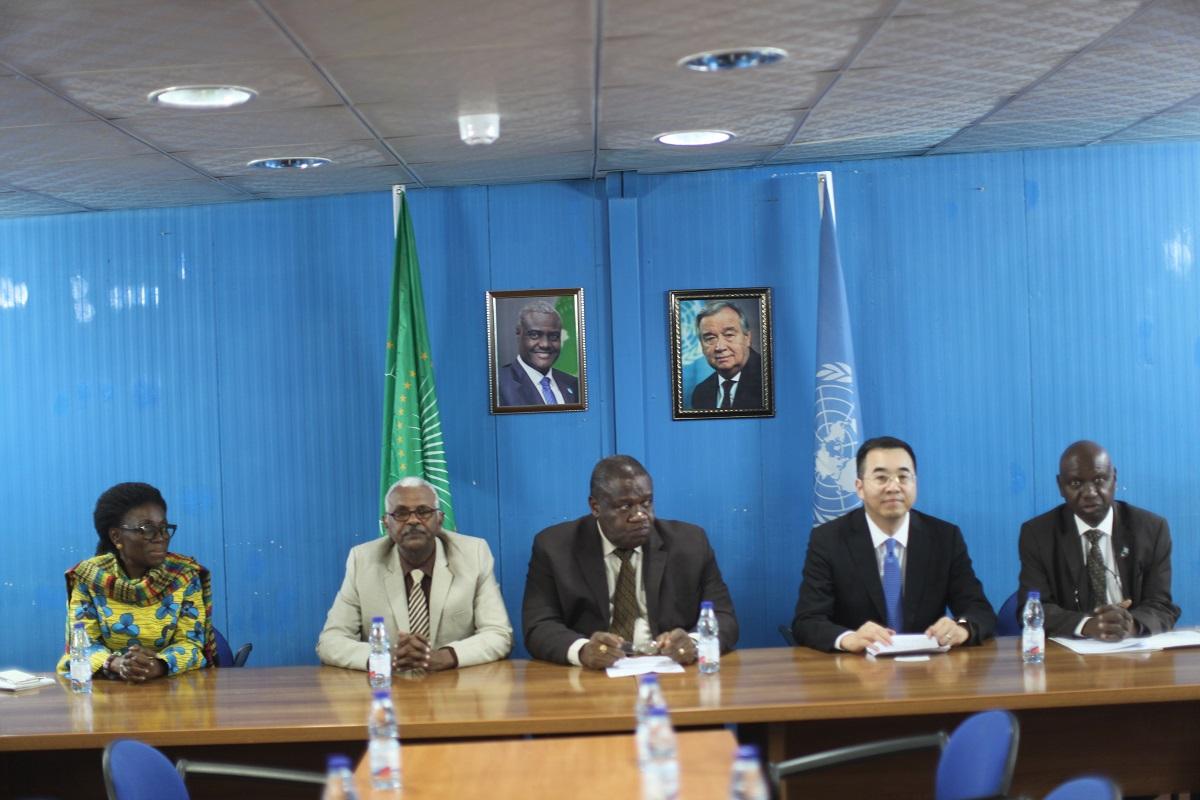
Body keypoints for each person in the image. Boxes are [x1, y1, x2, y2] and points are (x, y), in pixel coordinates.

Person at [522, 455, 738, 669]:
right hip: (592, 674)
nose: (640, 515)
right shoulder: (554, 548)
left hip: (670, 669)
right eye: (625, 506)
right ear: (595, 507)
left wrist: (693, 643)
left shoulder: (690, 543)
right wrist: (583, 650)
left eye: (646, 503)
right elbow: (539, 625)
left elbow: (724, 617)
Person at [791, 437, 996, 652]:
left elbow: (979, 610)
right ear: (860, 487)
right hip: (858, 665)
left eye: (903, 477)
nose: (893, 487)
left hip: (927, 664)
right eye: (881, 478)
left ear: (915, 483)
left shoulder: (945, 537)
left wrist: (961, 628)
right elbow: (808, 620)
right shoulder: (829, 539)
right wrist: (848, 638)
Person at [317, 477, 512, 671]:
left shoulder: (473, 554)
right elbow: (330, 641)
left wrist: (444, 657)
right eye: (401, 513)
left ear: (440, 519)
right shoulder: (363, 560)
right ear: (386, 523)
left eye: (423, 511)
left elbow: (498, 634)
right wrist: (382, 656)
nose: (413, 520)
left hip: (453, 684)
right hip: (389, 685)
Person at [1017, 440, 1179, 641]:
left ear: (1114, 479)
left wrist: (1130, 625)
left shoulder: (1151, 529)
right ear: (1060, 486)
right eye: (1076, 483)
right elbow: (1032, 607)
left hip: (1133, 648)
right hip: (1070, 651)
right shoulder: (1038, 534)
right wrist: (1088, 625)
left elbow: (1161, 605)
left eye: (1099, 480)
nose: (1090, 493)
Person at [56, 482, 215, 681]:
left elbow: (191, 644)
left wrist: (157, 665)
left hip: (171, 687)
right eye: (147, 529)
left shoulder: (183, 575)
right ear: (116, 536)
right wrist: (117, 664)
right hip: (106, 690)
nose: (161, 538)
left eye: (164, 528)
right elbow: (82, 645)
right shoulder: (90, 577)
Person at [497, 300, 580, 406]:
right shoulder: (497, 383)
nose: (545, 344)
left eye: (553, 336)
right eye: (534, 335)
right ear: (518, 333)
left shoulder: (574, 384)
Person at [689, 301, 763, 410]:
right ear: (701, 345)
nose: (720, 347)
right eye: (710, 338)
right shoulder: (700, 393)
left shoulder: (769, 379)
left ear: (747, 338)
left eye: (729, 335)